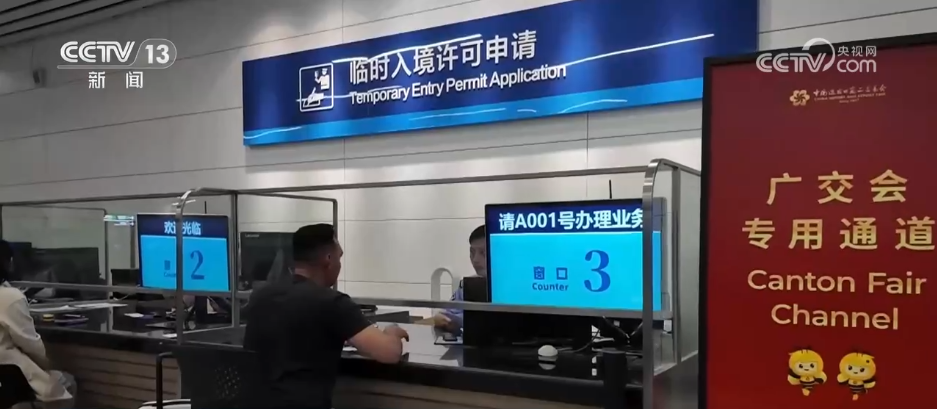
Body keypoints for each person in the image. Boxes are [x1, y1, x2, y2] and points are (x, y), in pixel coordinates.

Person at [244, 224, 410, 409]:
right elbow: (389, 353)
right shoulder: (332, 302)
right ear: (328, 259)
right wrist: (392, 332)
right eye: (339, 256)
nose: (340, 264)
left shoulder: (260, 296)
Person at [0, 240, 76, 408]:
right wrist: (47, 365)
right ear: (7, 263)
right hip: (10, 381)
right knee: (67, 383)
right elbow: (31, 346)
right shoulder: (9, 297)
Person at [432, 225, 487, 331]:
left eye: (483, 253)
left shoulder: (516, 287)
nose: (475, 260)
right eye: (472, 253)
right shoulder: (468, 286)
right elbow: (443, 316)